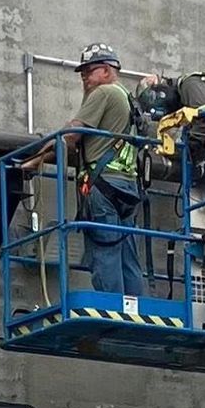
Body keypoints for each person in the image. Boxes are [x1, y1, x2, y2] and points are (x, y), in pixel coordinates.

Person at [27, 43, 144, 300]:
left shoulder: (103, 93)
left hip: (103, 186)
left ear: (106, 70)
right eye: (82, 74)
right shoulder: (127, 98)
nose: (84, 78)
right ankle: (133, 308)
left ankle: (111, 310)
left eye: (89, 72)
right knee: (127, 254)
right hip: (127, 186)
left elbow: (71, 135)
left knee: (104, 251)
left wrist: (34, 161)